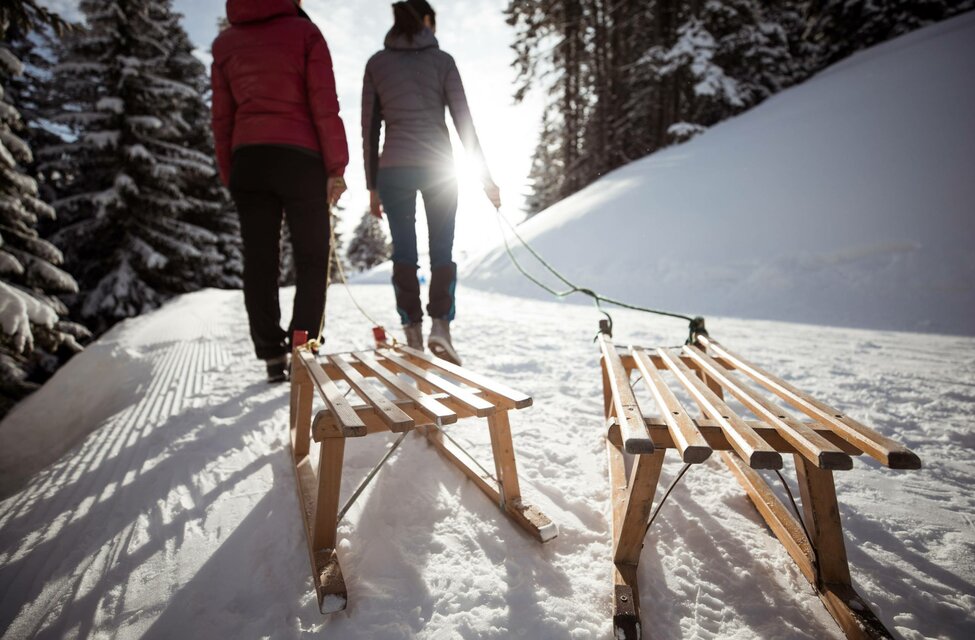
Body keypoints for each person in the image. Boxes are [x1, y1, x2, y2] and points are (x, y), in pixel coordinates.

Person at [211, 0, 348, 382]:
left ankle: (273, 355)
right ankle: (303, 346)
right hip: (302, 159)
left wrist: (230, 171)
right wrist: (335, 167)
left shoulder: (226, 44)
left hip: (249, 160)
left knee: (259, 259)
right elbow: (325, 104)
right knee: (312, 256)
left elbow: (221, 118)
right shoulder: (305, 33)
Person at [362, 0, 500, 366]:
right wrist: (486, 178)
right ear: (426, 21)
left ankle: (412, 333)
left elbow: (370, 128)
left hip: (393, 169)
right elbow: (463, 121)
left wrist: (371, 186)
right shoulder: (443, 61)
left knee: (404, 252)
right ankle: (441, 327)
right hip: (439, 167)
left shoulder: (377, 63)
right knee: (442, 250)